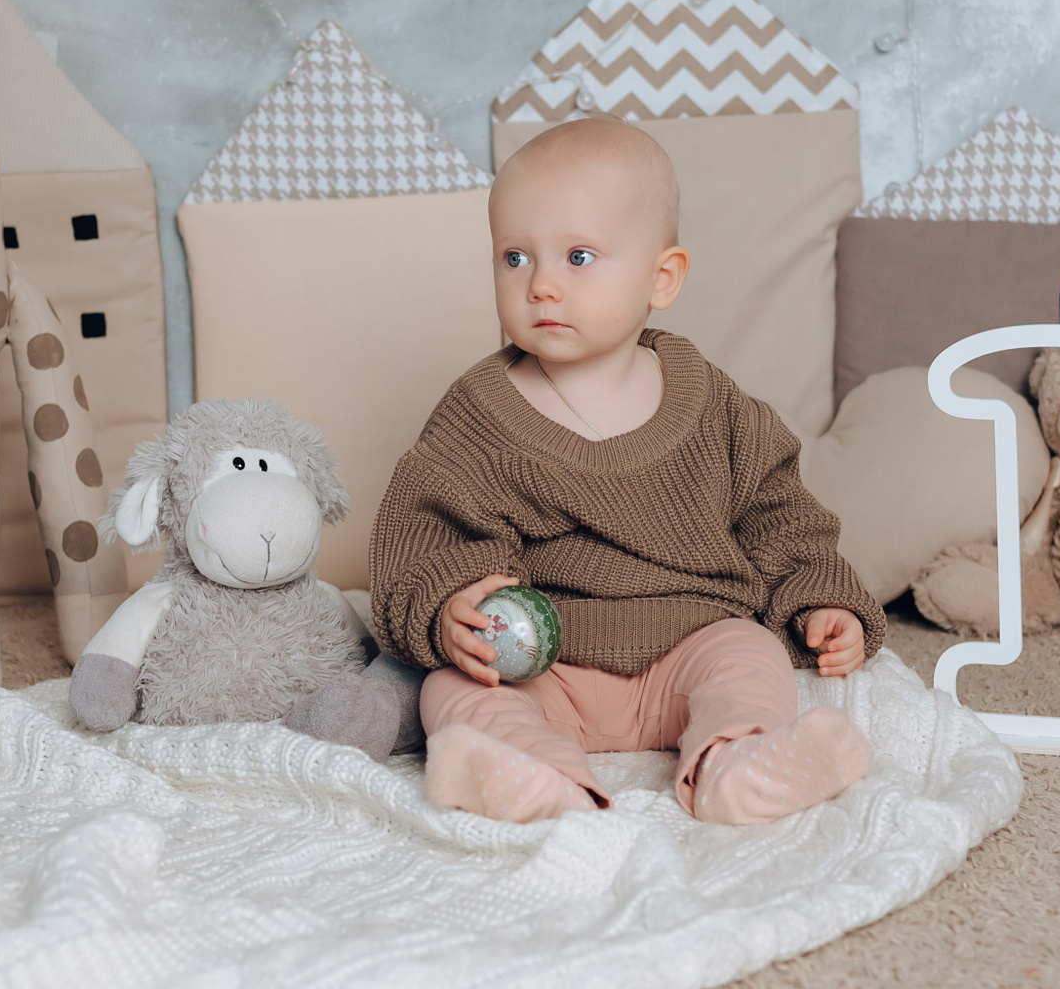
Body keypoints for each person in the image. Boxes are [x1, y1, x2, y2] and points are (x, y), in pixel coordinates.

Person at [369, 118, 884, 825]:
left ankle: (735, 762)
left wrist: (822, 602)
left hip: (688, 650)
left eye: (578, 257)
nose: (541, 285)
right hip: (544, 667)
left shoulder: (713, 404)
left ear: (661, 278)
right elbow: (426, 538)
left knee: (749, 655)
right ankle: (530, 772)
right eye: (515, 258)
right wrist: (447, 608)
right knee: (450, 688)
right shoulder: (478, 415)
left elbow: (781, 516)